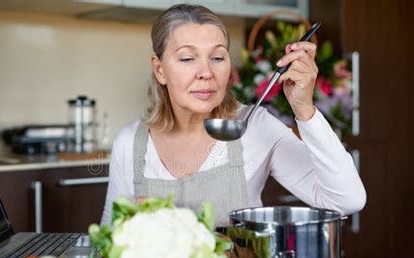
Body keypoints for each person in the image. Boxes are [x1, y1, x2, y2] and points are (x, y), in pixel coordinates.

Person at [101, 4, 366, 226]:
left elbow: (347, 201)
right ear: (160, 70)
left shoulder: (256, 127)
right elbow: (111, 235)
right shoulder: (131, 142)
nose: (206, 72)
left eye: (217, 58)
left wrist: (304, 110)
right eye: (187, 59)